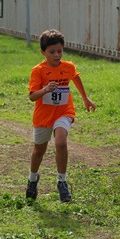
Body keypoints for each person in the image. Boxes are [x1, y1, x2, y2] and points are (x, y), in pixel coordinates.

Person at [26, 29, 96, 202]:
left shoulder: (68, 67)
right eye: (52, 52)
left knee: (61, 142)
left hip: (64, 112)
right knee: (39, 150)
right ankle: (32, 179)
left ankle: (61, 182)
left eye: (59, 51)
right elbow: (32, 96)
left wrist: (85, 98)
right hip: (43, 116)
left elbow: (76, 78)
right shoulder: (38, 71)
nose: (57, 55)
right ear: (43, 52)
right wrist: (45, 89)